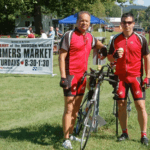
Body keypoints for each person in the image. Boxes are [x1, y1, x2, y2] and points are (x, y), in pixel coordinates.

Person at [59, 11, 107, 149]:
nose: (84, 23)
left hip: (82, 77)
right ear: (77, 21)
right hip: (70, 76)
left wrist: (103, 48)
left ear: (89, 23)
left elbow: (98, 44)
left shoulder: (89, 37)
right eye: (82, 20)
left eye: (87, 21)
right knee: (68, 109)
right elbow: (61, 57)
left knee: (76, 109)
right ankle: (65, 139)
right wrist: (63, 77)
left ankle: (71, 132)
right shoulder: (69, 36)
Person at [107, 13, 150, 146]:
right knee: (121, 106)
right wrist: (114, 56)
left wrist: (148, 77)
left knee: (141, 106)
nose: (127, 24)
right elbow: (109, 57)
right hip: (120, 77)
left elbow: (147, 58)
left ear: (133, 23)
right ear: (121, 23)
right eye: (124, 22)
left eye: (129, 22)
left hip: (136, 77)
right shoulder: (115, 39)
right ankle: (124, 132)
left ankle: (144, 135)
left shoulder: (141, 39)